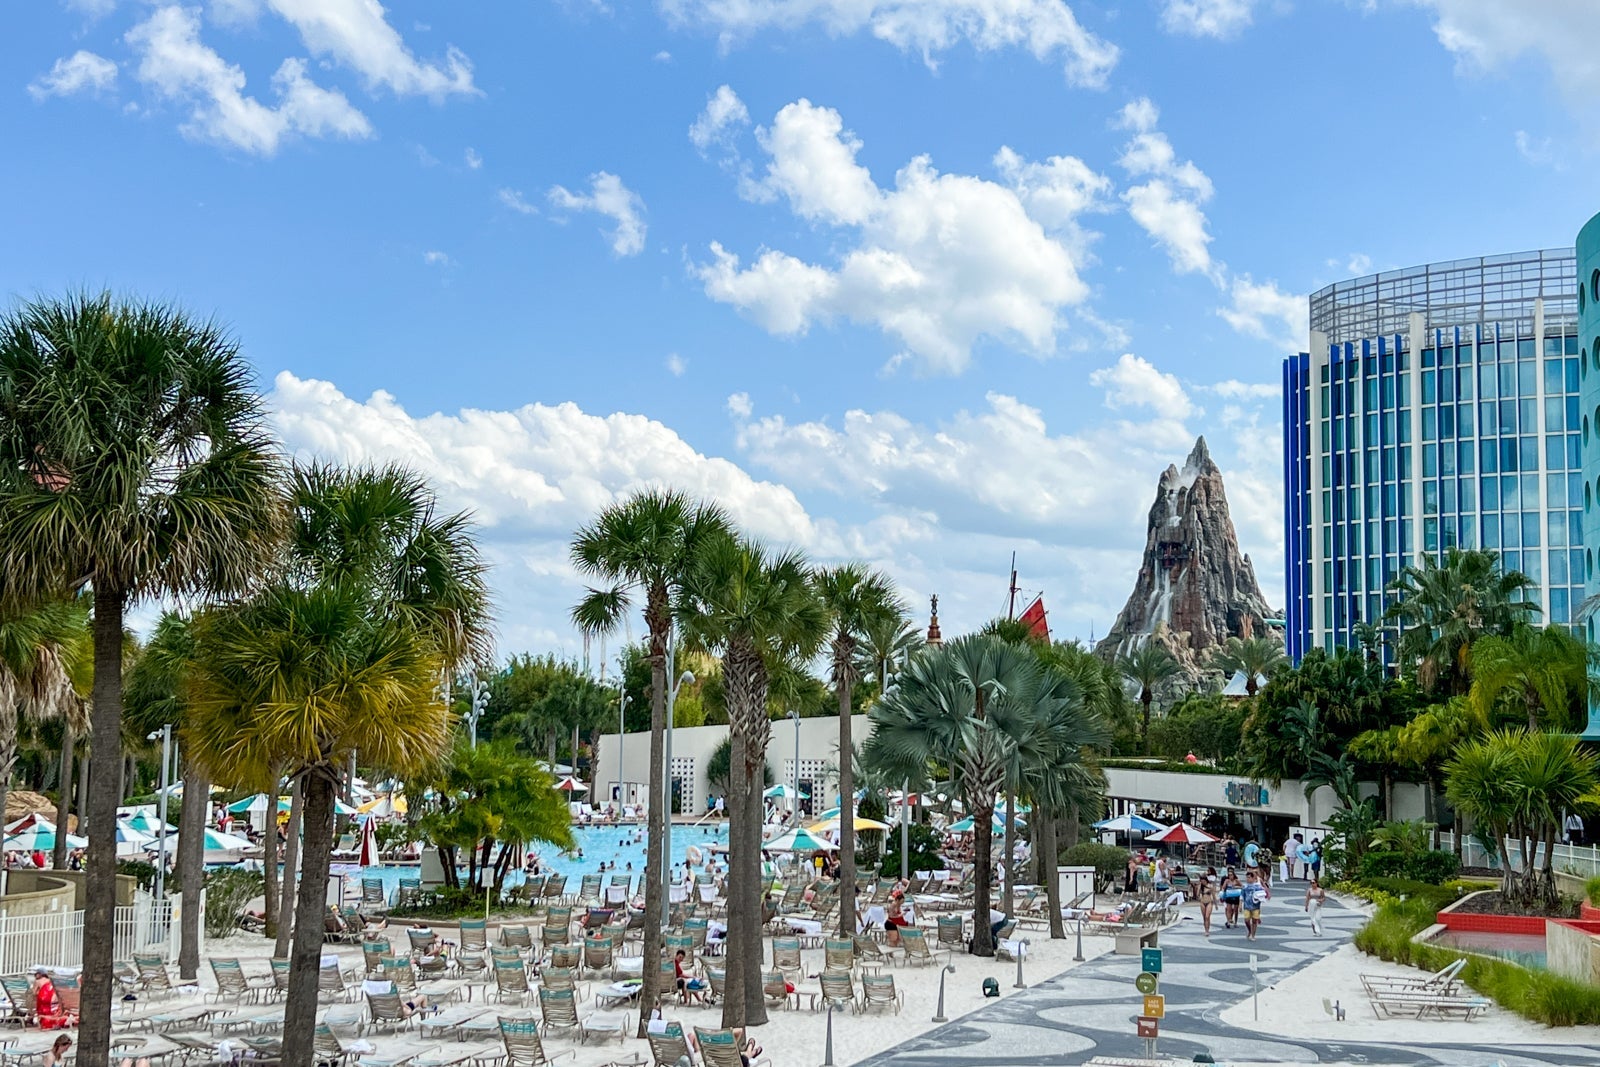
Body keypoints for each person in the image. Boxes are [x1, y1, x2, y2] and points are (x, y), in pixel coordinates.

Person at [1240, 870, 1267, 941]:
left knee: (1254, 921)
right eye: (1247, 877)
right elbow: (1242, 896)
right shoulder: (1245, 887)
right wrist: (1240, 905)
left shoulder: (1257, 887)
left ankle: (1253, 935)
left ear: (1253, 878)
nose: (1247, 879)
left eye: (1249, 877)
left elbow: (1262, 894)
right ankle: (1249, 930)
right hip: (1247, 906)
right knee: (1246, 920)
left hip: (1255, 906)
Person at [1197, 868, 1218, 936]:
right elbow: (1197, 895)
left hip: (1209, 902)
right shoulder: (1201, 887)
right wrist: (1199, 887)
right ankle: (1206, 929)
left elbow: (1214, 896)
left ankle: (1207, 930)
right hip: (1202, 902)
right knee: (1204, 917)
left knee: (1207, 916)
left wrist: (1216, 904)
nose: (1203, 882)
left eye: (1203, 881)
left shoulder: (1210, 886)